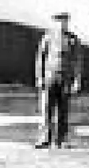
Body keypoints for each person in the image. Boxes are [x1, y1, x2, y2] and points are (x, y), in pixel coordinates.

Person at [32, 10, 84, 148]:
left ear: (67, 22)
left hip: (65, 79)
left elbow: (77, 61)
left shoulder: (73, 40)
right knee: (46, 109)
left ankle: (61, 140)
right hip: (50, 77)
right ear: (55, 22)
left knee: (63, 110)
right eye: (59, 20)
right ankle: (45, 139)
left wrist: (76, 80)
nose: (62, 24)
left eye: (64, 21)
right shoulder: (47, 38)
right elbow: (40, 59)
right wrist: (39, 77)